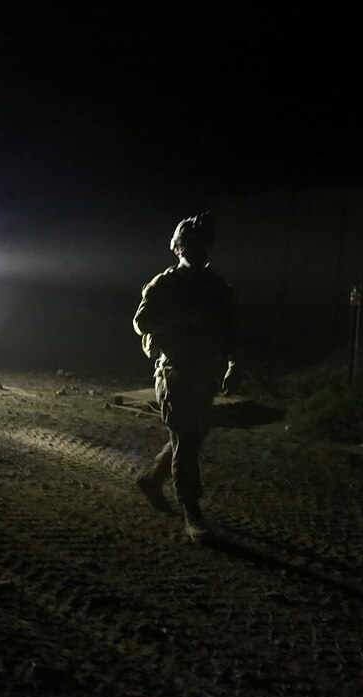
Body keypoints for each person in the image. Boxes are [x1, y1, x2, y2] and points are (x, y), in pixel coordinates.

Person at [133, 212, 234, 542]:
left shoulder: (216, 287)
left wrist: (234, 365)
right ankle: (192, 512)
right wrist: (180, 318)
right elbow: (142, 322)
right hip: (175, 373)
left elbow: (230, 330)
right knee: (187, 440)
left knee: (191, 435)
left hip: (205, 372)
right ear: (177, 249)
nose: (198, 252)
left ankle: (152, 479)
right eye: (191, 246)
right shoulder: (166, 284)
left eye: (203, 245)